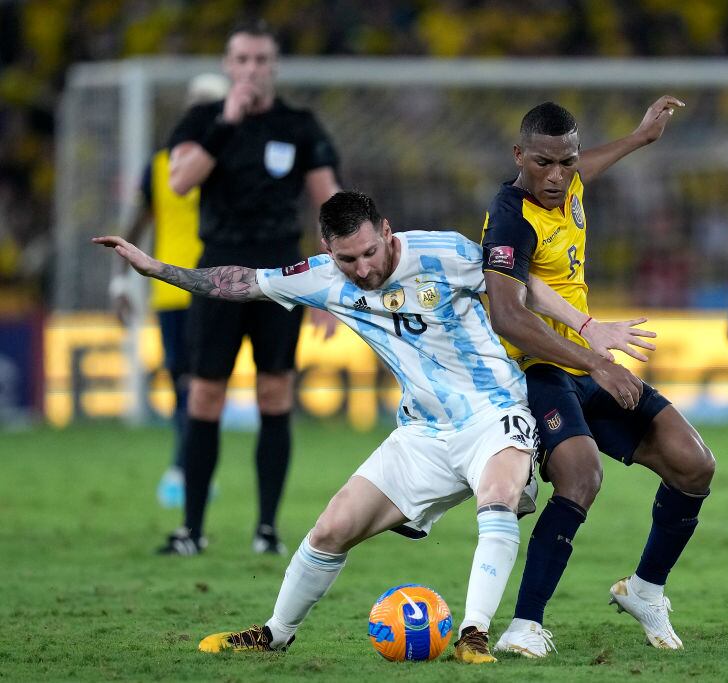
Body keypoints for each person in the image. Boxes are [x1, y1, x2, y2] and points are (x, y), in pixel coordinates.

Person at [95, 190, 656, 663]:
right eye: (347, 260)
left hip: (494, 412)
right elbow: (240, 281)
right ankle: (274, 635)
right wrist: (157, 269)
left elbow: (522, 288)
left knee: (500, 495)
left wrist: (587, 325)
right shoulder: (321, 278)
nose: (362, 269)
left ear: (388, 232)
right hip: (422, 433)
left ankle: (474, 634)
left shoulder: (447, 252)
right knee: (329, 530)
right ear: (326, 251)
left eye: (369, 252)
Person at [480, 98, 717, 655]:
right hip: (537, 369)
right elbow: (507, 316)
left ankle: (645, 589)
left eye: (568, 162)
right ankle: (524, 625)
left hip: (585, 363)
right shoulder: (512, 216)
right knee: (582, 477)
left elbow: (587, 167)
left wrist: (640, 138)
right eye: (544, 163)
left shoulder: (568, 184)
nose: (558, 176)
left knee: (694, 465)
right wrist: (597, 361)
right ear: (519, 155)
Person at [160, 21, 341, 555]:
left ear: (274, 66)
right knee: (206, 394)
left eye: (262, 60)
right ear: (227, 65)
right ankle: (191, 530)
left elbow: (329, 203)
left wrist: (332, 282)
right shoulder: (201, 120)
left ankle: (267, 529)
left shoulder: (299, 124)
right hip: (217, 272)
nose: (252, 70)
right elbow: (179, 181)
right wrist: (227, 121)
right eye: (243, 60)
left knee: (275, 392)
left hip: (282, 277)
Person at [110, 73, 230, 509]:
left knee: (199, 384)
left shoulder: (222, 160)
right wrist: (121, 279)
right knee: (187, 384)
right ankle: (187, 467)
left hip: (215, 286)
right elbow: (135, 224)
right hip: (176, 289)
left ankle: (188, 467)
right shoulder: (169, 164)